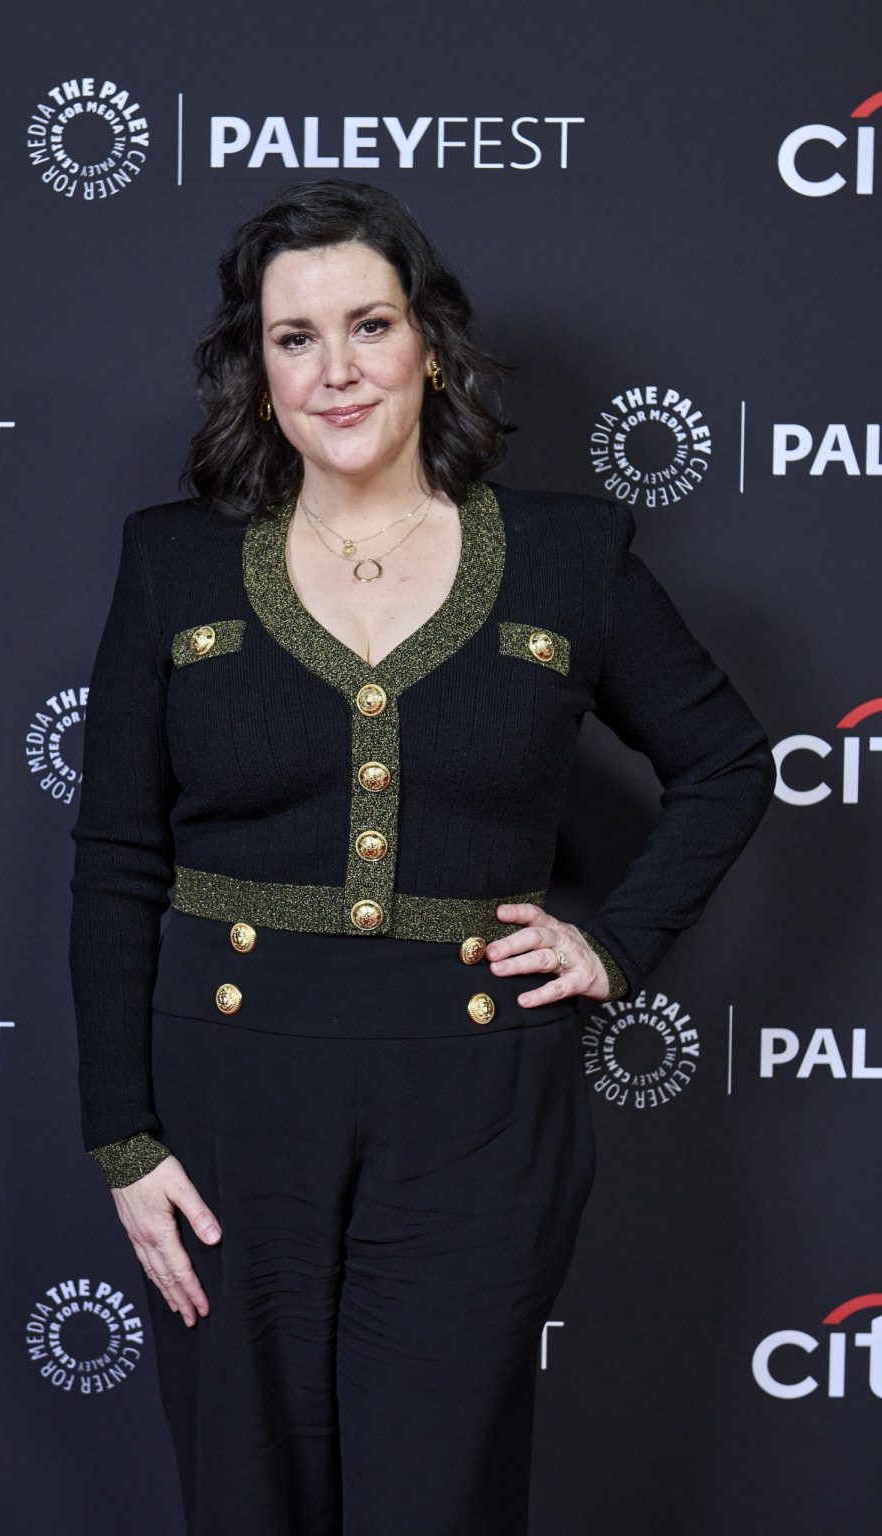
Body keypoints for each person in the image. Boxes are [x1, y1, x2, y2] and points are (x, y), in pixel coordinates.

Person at [68, 177, 775, 1536]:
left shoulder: (571, 555)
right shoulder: (173, 565)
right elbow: (113, 860)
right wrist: (121, 1138)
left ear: (429, 344)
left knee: (437, 1498)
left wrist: (612, 944)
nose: (336, 370)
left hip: (476, 1106)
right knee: (247, 1496)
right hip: (227, 1099)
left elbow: (726, 764)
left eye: (369, 325)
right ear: (256, 365)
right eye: (294, 337)